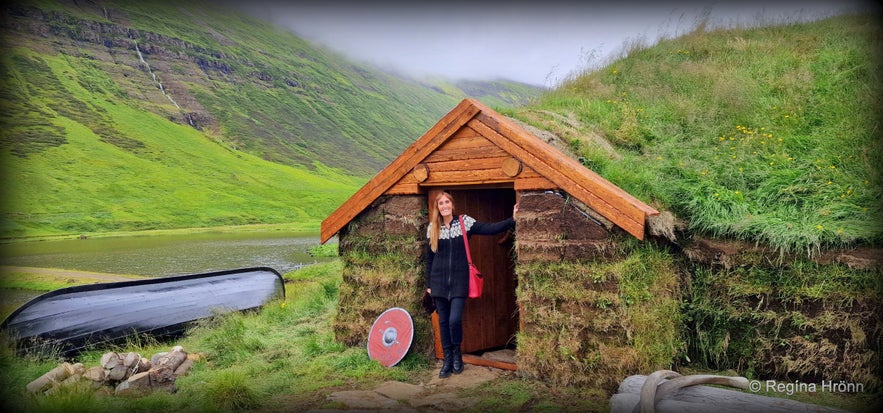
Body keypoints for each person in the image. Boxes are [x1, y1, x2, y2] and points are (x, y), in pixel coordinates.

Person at [425, 191, 517, 378]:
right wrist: (429, 284)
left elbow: (490, 229)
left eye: (447, 202)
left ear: (452, 204)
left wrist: (512, 220)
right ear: (437, 207)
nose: (444, 206)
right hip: (438, 283)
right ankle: (448, 360)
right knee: (443, 322)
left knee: (454, 320)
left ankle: (457, 354)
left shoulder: (464, 222)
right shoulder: (433, 228)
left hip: (460, 282)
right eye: (441, 203)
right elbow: (429, 259)